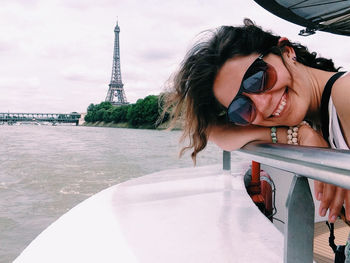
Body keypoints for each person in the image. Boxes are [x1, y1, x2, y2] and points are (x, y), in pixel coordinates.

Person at [163, 19, 350, 224]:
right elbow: (213, 131)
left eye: (258, 78)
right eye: (241, 108)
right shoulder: (322, 114)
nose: (262, 105)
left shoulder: (345, 93)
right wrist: (298, 134)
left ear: (287, 52)